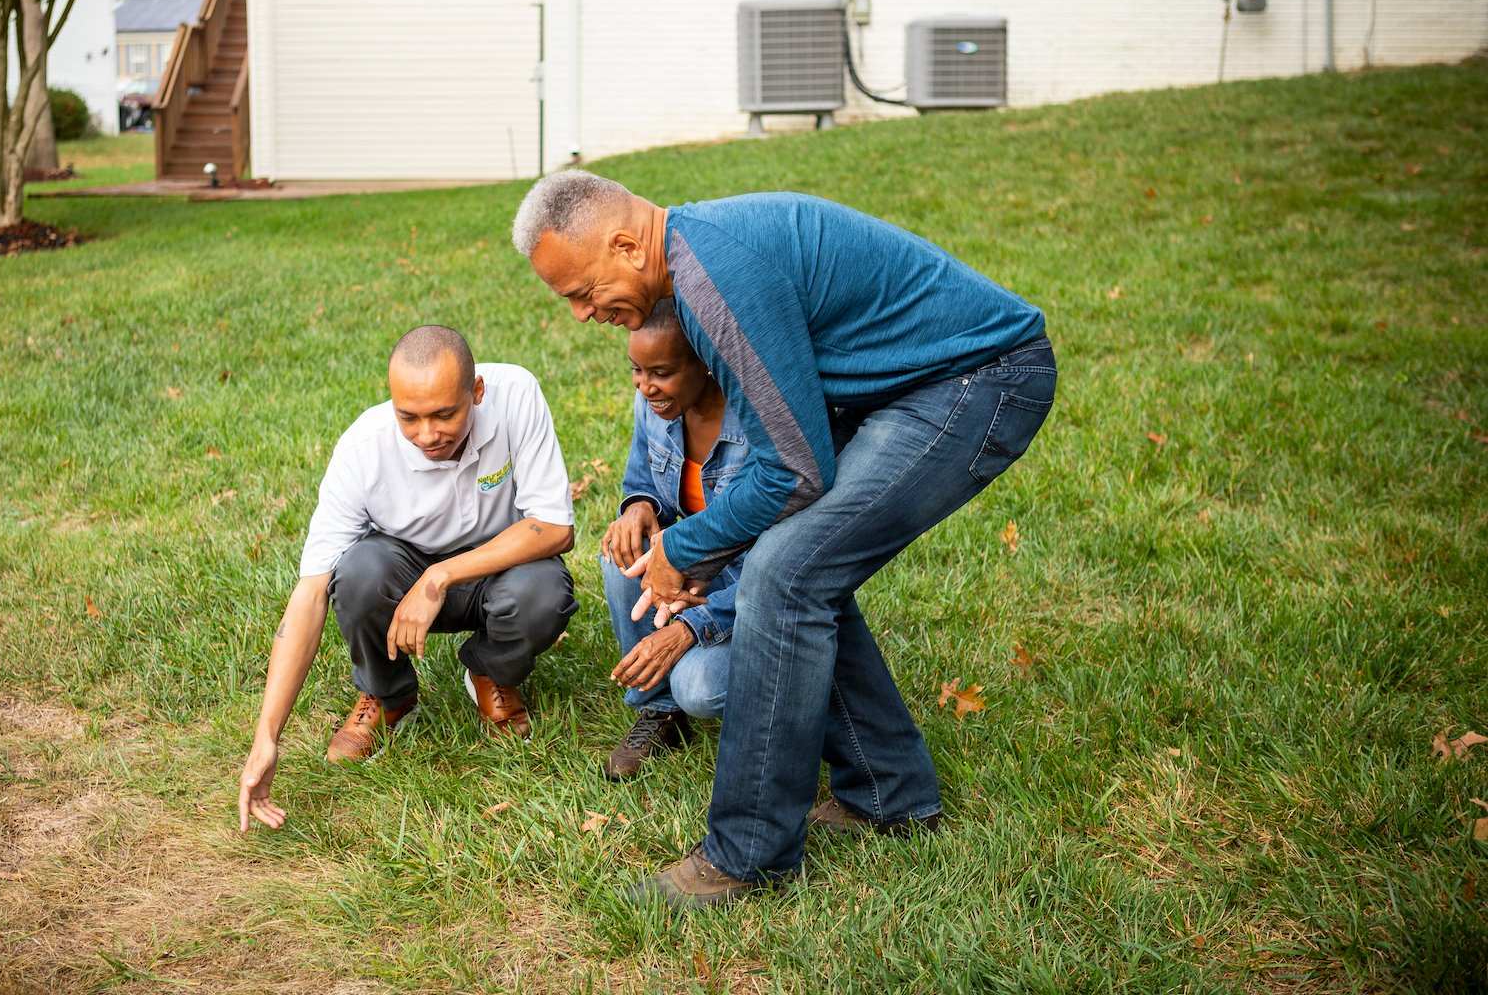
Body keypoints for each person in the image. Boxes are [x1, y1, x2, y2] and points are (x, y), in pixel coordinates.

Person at [512, 173, 1055, 908]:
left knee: (787, 575)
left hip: (977, 381)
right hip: (915, 388)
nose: (580, 314)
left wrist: (685, 547)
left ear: (625, 244)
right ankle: (887, 793)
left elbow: (794, 472)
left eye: (580, 291)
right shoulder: (695, 261)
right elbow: (791, 461)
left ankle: (748, 854)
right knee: (805, 569)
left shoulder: (716, 279)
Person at [238, 325, 578, 832]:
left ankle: (489, 671)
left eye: (445, 414)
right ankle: (389, 695)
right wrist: (267, 735)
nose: (427, 434)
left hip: (497, 569)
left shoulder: (517, 395)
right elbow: (309, 596)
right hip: (401, 575)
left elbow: (555, 528)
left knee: (544, 592)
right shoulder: (363, 450)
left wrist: (440, 577)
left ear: (477, 393)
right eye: (409, 417)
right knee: (356, 573)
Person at [600, 298, 747, 781]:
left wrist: (694, 624)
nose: (645, 387)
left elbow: (778, 567)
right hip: (690, 565)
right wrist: (638, 508)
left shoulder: (753, 425)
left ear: (706, 361)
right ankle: (658, 710)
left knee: (699, 688)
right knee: (621, 554)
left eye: (659, 372)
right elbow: (641, 480)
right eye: (636, 371)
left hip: (751, 585)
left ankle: (792, 689)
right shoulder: (656, 405)